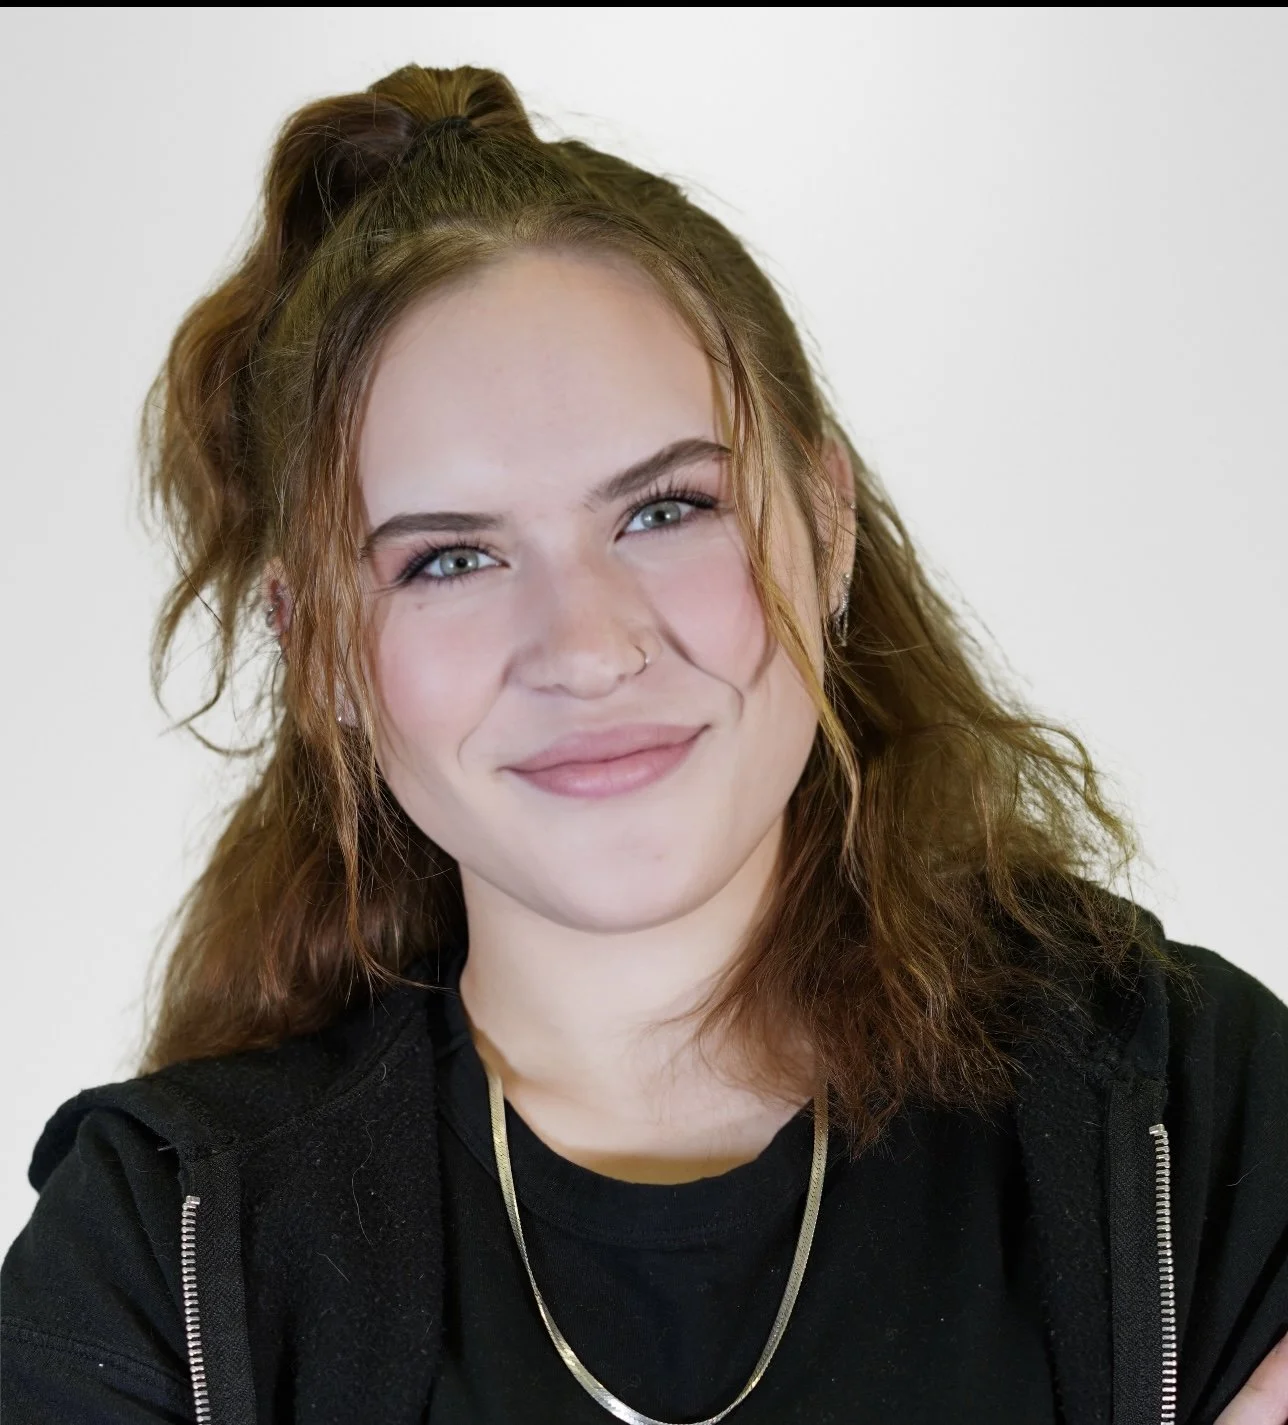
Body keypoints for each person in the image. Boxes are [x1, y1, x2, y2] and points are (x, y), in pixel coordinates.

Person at [2, 62, 1286, 1425]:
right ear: (317, 647)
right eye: (447, 559)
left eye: (666, 511)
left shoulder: (1181, 1120)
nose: (587, 646)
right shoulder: (163, 1261)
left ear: (828, 518)